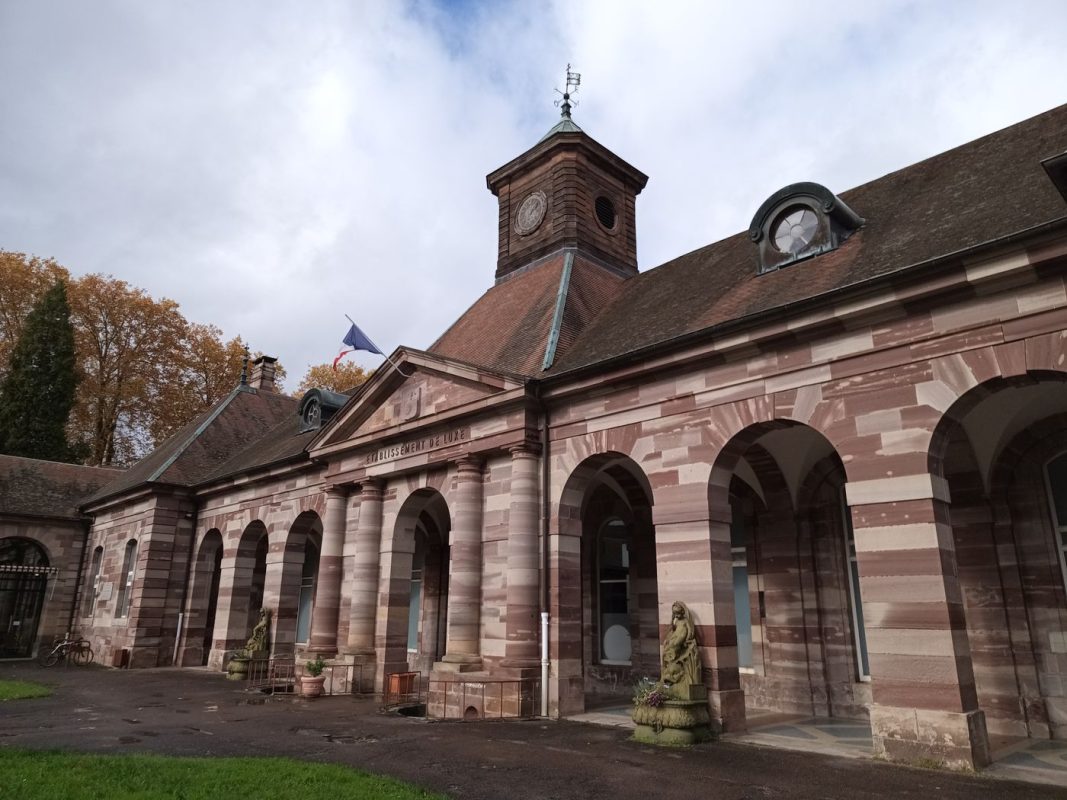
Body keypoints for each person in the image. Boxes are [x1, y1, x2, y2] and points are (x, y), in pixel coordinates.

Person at [661, 601, 700, 688]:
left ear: (683, 612)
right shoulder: (676, 621)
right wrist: (671, 621)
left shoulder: (685, 621)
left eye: (678, 614)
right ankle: (670, 669)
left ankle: (675, 662)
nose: (676, 616)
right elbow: (672, 628)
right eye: (675, 614)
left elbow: (690, 630)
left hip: (682, 636)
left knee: (675, 646)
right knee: (669, 647)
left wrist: (688, 639)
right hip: (675, 636)